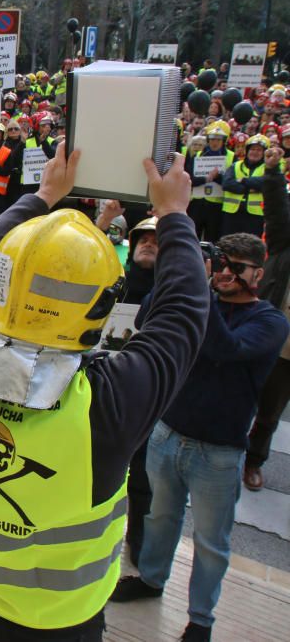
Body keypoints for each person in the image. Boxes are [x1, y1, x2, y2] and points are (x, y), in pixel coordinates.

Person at [0, 146, 210, 641]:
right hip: (58, 622)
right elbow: (182, 317)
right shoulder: (103, 409)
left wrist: (44, 196)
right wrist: (173, 215)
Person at [111, 231, 288, 642]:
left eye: (235, 267)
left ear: (258, 274)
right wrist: (180, 277)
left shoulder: (270, 322)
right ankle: (152, 580)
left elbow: (224, 349)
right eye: (219, 263)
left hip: (219, 453)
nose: (224, 273)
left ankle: (201, 619)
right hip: (168, 433)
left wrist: (201, 291)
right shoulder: (201, 298)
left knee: (211, 542)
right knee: (159, 519)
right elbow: (146, 318)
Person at [245, 146, 290, 490]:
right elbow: (276, 212)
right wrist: (273, 174)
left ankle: (253, 461)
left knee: (270, 412)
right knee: (240, 392)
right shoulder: (284, 242)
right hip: (268, 335)